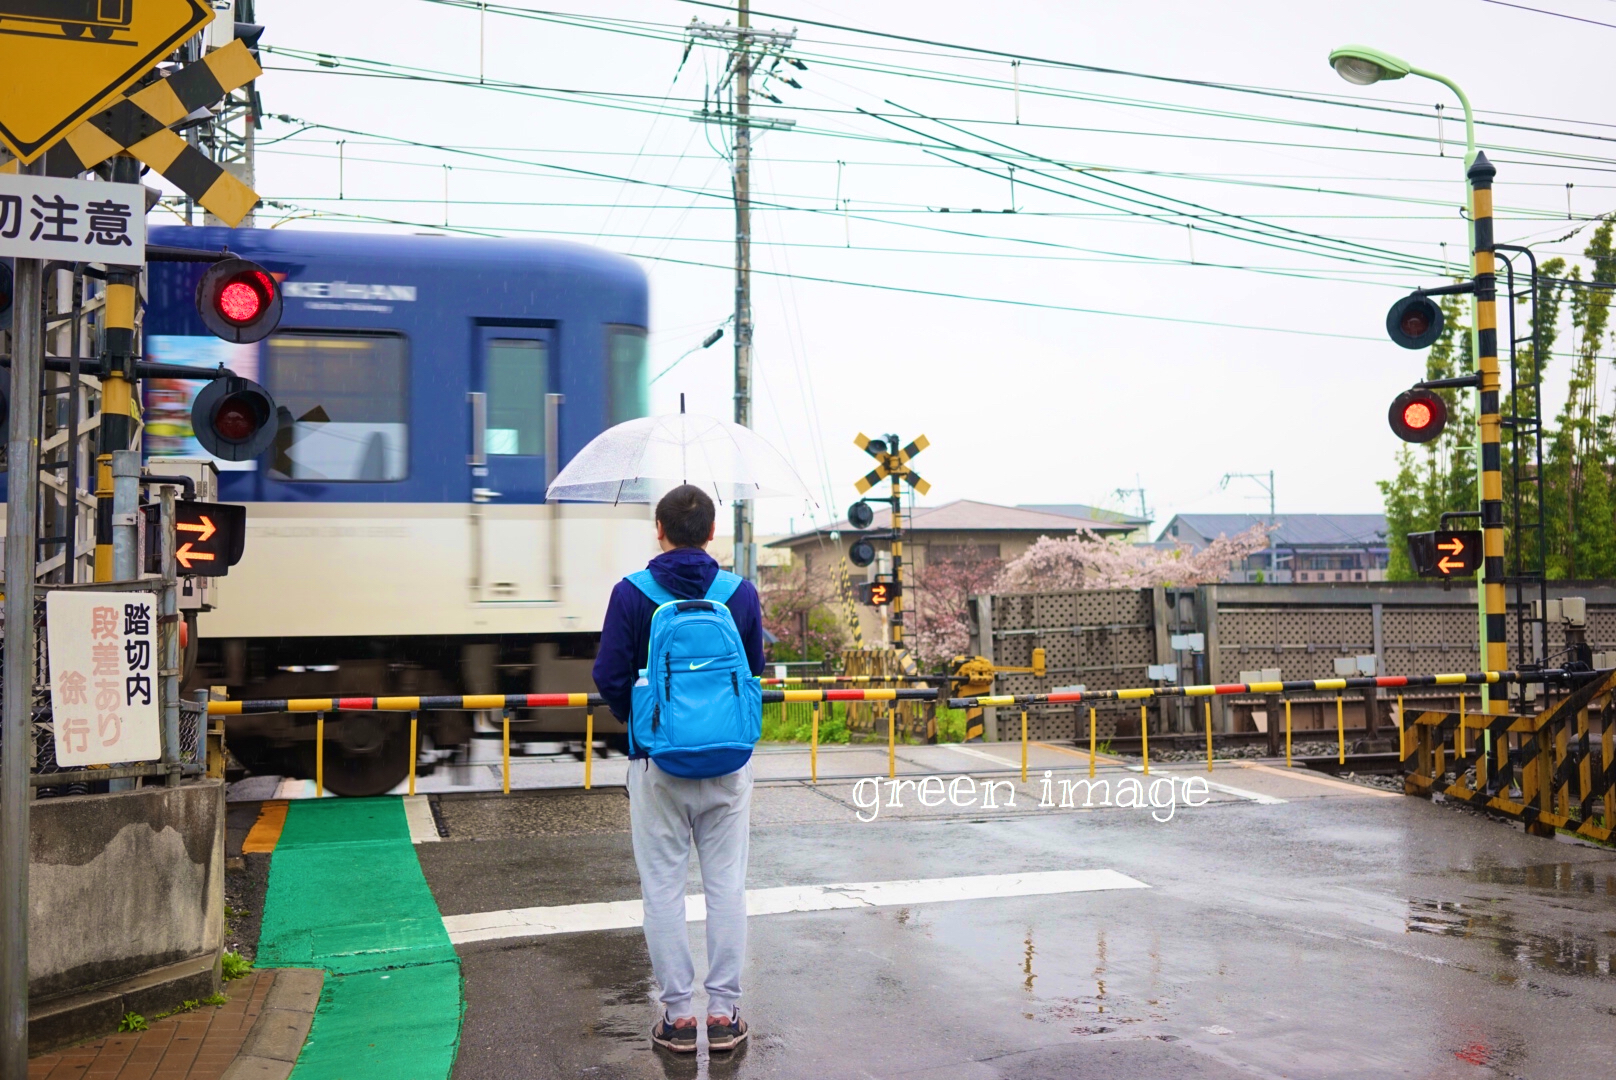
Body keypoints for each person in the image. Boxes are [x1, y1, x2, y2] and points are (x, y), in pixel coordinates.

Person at [593, 484, 765, 1054]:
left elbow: (609, 676)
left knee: (663, 890)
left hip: (656, 766)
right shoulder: (739, 593)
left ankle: (676, 1019)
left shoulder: (631, 594)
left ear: (658, 530)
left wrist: (645, 724)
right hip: (727, 766)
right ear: (711, 534)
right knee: (726, 888)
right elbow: (754, 672)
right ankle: (723, 1014)